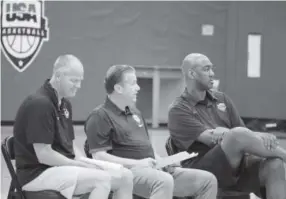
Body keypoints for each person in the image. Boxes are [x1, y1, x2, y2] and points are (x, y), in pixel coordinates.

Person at [85, 64, 218, 199]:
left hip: (152, 169)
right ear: (118, 88)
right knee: (163, 181)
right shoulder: (99, 116)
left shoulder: (135, 113)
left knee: (207, 180)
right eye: (133, 84)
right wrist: (139, 163)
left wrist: (162, 161)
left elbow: (146, 147)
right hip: (127, 173)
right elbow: (99, 157)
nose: (138, 88)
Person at [13, 55, 134, 199]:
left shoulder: (65, 105)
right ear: (58, 76)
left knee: (125, 176)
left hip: (59, 168)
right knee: (101, 180)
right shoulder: (40, 104)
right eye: (74, 80)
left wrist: (86, 162)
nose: (79, 85)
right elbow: (44, 155)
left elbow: (70, 146)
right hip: (36, 174)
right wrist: (78, 165)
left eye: (80, 80)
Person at [168, 53, 286, 199]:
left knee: (275, 165)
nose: (212, 74)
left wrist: (257, 136)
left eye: (212, 69)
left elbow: (244, 133)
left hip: (235, 166)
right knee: (236, 135)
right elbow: (214, 139)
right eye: (206, 69)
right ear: (192, 74)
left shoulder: (222, 98)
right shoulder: (178, 109)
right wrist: (233, 134)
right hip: (202, 169)